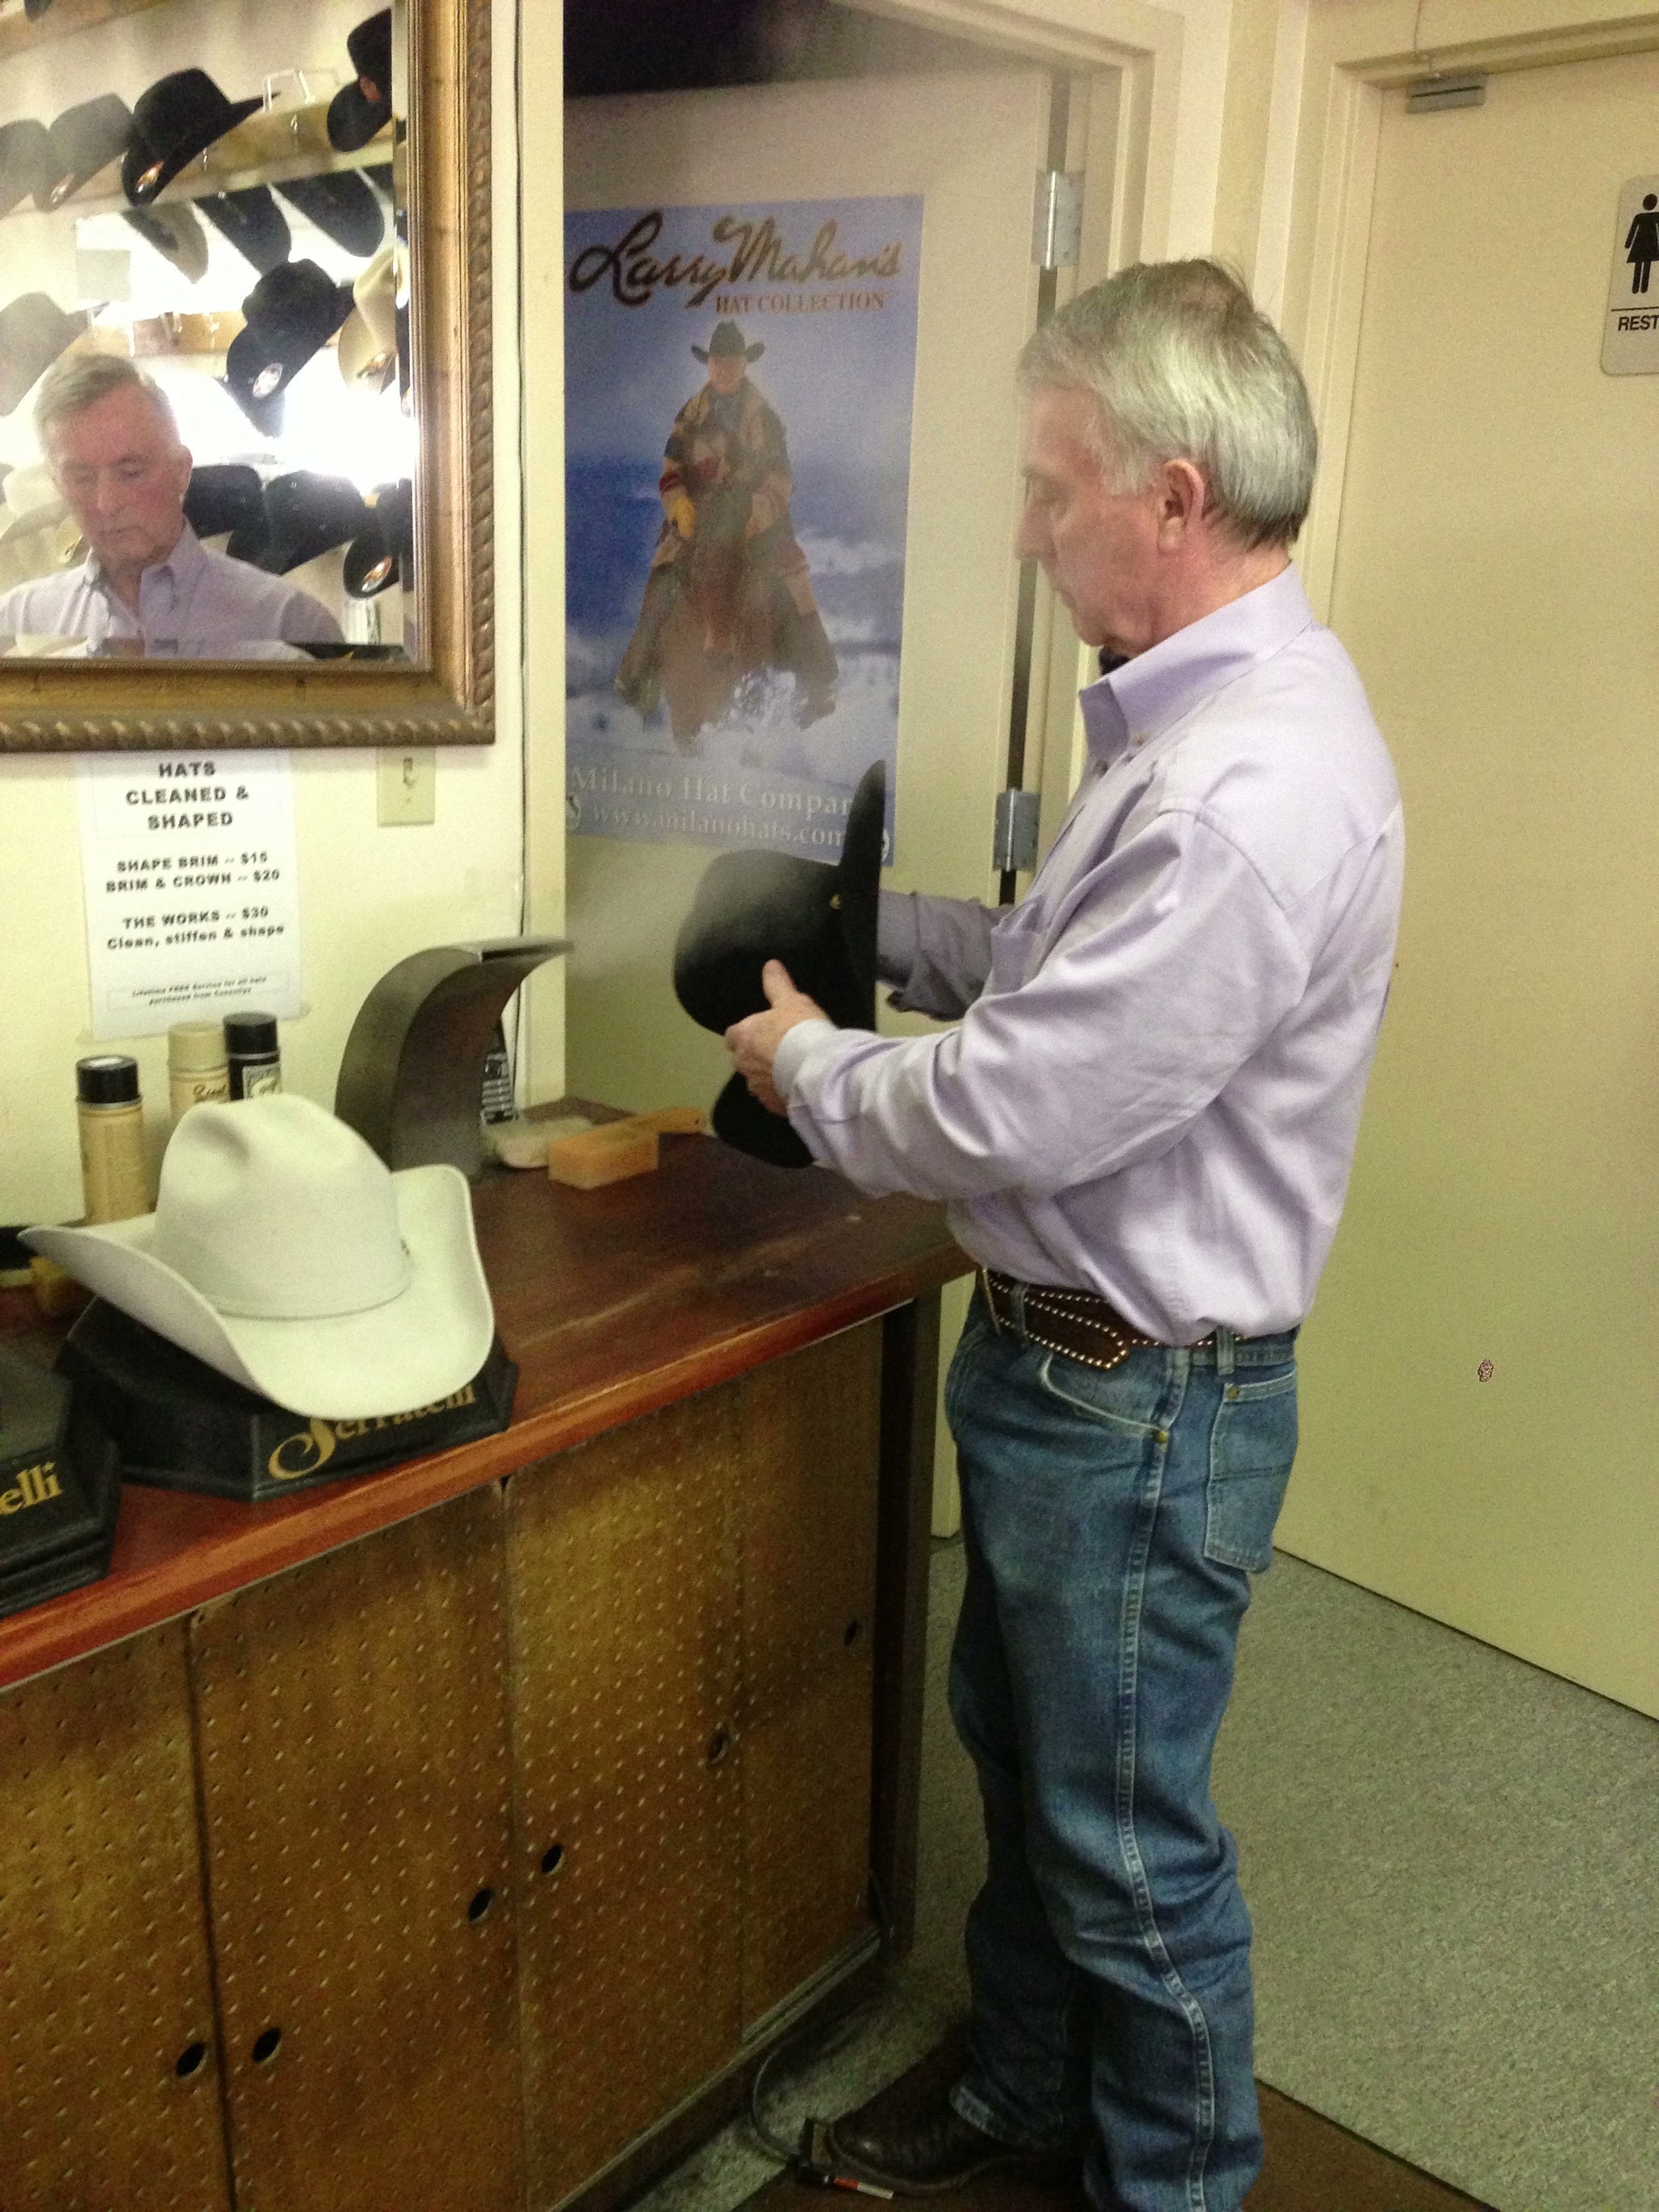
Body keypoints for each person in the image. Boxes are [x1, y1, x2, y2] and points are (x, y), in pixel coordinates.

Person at [724, 260, 1404, 2212]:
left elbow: (1024, 1100)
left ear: (1170, 496)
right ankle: (1026, 2094)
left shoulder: (1246, 789)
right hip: (1070, 1382)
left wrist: (808, 1059)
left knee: (1124, 1851)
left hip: (1135, 1413)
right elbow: (1072, 986)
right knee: (1028, 1791)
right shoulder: (1199, 738)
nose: (1026, 535)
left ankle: (1176, 2187)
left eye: (1048, 490)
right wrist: (900, 935)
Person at [0, 355, 342, 656]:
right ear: (57, 482)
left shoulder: (291, 624)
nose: (106, 503)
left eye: (130, 472)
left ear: (181, 471)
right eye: (81, 477)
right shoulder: (16, 619)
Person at [615, 318, 837, 727]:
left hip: (755, 518)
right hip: (698, 517)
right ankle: (638, 673)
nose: (724, 370)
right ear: (710, 365)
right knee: (663, 577)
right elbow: (671, 469)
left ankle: (820, 681)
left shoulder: (764, 418)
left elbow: (780, 479)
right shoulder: (690, 416)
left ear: (744, 365)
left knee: (793, 581)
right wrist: (678, 505)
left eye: (732, 363)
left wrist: (755, 513)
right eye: (718, 362)